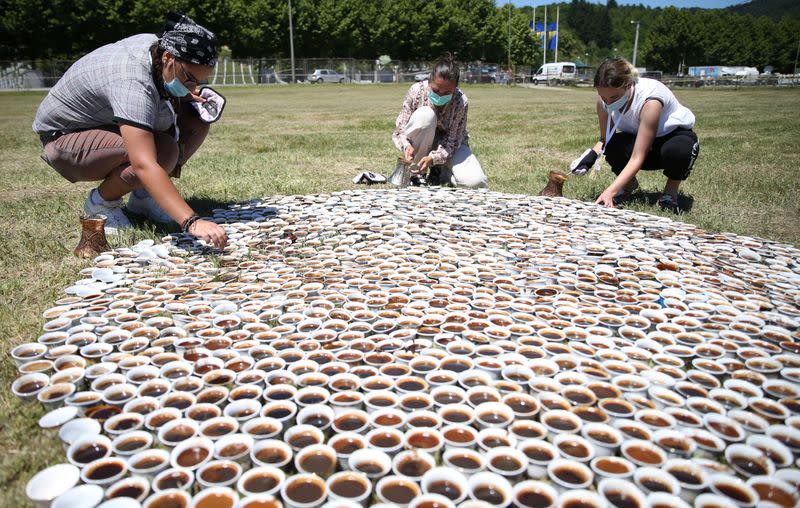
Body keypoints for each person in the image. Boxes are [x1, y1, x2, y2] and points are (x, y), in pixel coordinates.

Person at [33, 12, 228, 248]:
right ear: (168, 57)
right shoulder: (131, 79)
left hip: (103, 123)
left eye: (199, 81)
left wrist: (189, 97)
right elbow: (143, 163)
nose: (192, 87)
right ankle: (101, 202)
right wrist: (192, 222)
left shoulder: (158, 50)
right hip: (64, 137)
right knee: (155, 153)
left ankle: (144, 197)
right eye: (189, 78)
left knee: (190, 126)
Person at [570, 58, 699, 212]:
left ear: (629, 85)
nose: (608, 103)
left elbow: (638, 157)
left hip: (671, 139)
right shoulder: (604, 99)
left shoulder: (650, 101)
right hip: (640, 140)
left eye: (614, 98)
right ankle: (628, 186)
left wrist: (610, 191)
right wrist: (590, 156)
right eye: (603, 97)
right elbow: (605, 139)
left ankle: (670, 193)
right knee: (613, 145)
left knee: (679, 150)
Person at [390, 53, 487, 188]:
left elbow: (452, 142)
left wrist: (433, 158)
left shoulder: (461, 101)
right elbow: (400, 129)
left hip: (450, 147)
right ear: (429, 81)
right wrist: (406, 145)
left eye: (447, 93)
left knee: (475, 183)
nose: (440, 95)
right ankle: (416, 173)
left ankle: (441, 171)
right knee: (425, 115)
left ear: (455, 88)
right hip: (421, 142)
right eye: (435, 90)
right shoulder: (416, 91)